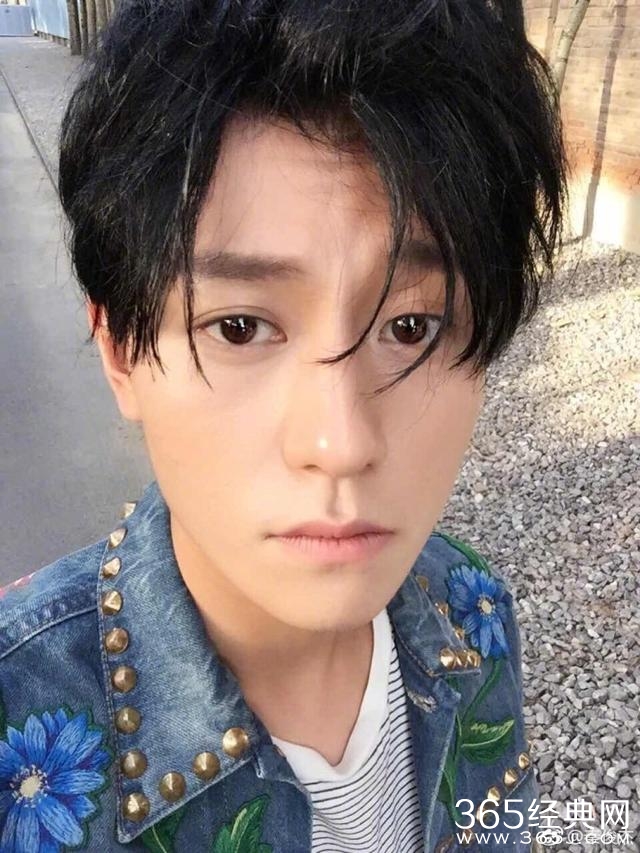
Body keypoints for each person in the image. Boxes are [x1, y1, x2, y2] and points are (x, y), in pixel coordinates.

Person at [0, 0, 567, 850]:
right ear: (120, 352)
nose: (341, 443)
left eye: (411, 326)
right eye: (240, 327)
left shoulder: (473, 608)